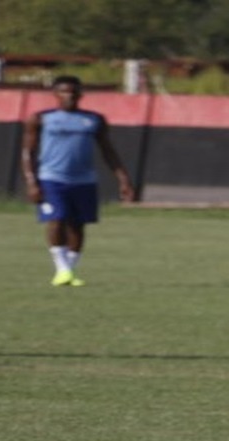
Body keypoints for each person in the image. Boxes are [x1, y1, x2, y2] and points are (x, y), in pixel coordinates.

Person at [20, 75, 136, 287]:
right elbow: (28, 150)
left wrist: (123, 179)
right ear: (55, 94)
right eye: (63, 91)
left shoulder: (93, 120)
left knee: (78, 225)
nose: (69, 96)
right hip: (51, 178)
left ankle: (70, 270)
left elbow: (107, 151)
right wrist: (31, 181)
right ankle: (62, 269)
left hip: (84, 180)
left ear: (81, 95)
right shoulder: (41, 118)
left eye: (73, 92)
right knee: (57, 219)